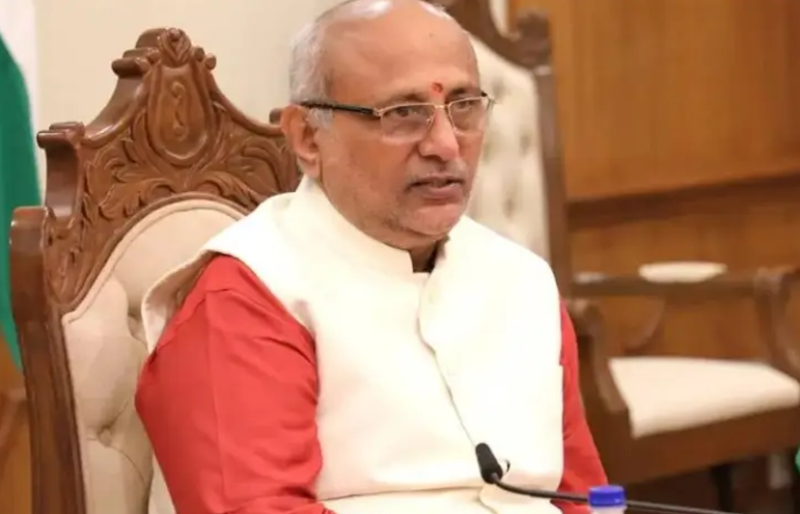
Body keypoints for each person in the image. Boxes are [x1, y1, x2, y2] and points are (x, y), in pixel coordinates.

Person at [135, 0, 607, 513]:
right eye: (403, 114)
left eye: (464, 106)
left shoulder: (522, 281)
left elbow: (582, 499)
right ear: (307, 137)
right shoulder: (248, 296)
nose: (446, 145)